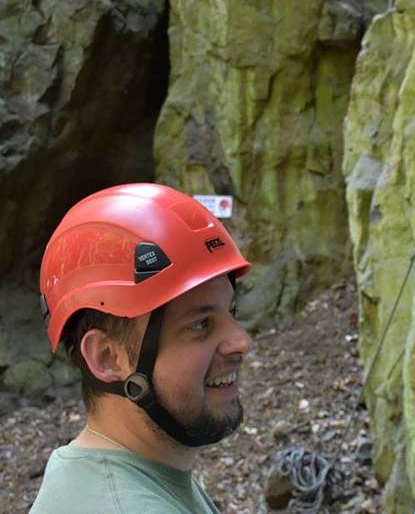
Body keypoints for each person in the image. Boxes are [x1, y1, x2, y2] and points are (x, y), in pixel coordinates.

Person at [31, 183, 252, 513]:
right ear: (108, 358)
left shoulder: (108, 475)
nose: (241, 342)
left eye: (230, 312)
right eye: (200, 324)